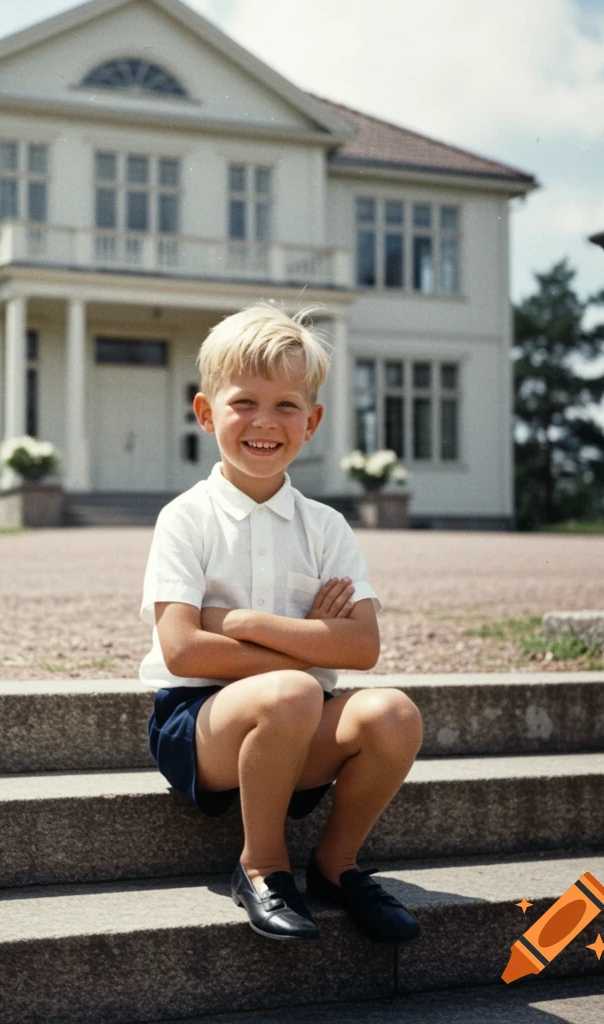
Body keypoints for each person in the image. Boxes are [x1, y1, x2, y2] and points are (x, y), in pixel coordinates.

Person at [140, 303, 423, 944]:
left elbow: (363, 645)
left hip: (296, 726)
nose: (265, 422)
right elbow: (183, 651)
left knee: (394, 714)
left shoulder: (326, 527)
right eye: (244, 403)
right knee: (298, 689)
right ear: (207, 412)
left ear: (313, 421)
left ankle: (334, 865)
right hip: (197, 727)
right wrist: (307, 648)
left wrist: (239, 622)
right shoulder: (186, 518)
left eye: (286, 406)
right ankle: (262, 865)